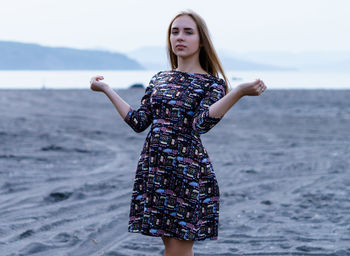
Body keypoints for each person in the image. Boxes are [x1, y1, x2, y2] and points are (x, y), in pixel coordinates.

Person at [90, 9, 266, 256]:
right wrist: (107, 89)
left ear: (201, 40)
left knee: (178, 248)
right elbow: (139, 121)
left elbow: (201, 124)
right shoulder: (160, 78)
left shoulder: (211, 84)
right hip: (154, 169)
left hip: (186, 170)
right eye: (174, 32)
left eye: (188, 32)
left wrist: (236, 92)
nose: (179, 37)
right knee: (172, 248)